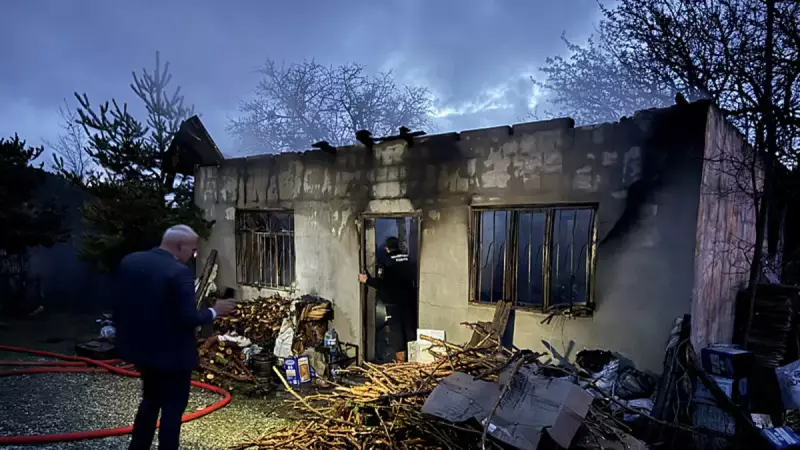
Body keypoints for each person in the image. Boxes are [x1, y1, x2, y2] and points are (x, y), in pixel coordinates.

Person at [114, 225, 236, 450]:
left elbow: (119, 303)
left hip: (141, 350)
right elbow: (186, 317)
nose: (193, 255)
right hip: (173, 356)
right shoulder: (178, 272)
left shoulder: (131, 262)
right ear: (180, 246)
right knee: (172, 408)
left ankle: (138, 447)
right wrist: (214, 311)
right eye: (192, 250)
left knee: (150, 401)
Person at [358, 236, 416, 362]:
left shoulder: (387, 262)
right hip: (410, 302)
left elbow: (383, 285)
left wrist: (367, 280)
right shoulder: (409, 259)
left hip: (394, 303)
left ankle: (401, 365)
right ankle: (413, 362)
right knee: (410, 331)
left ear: (387, 248)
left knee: (397, 335)